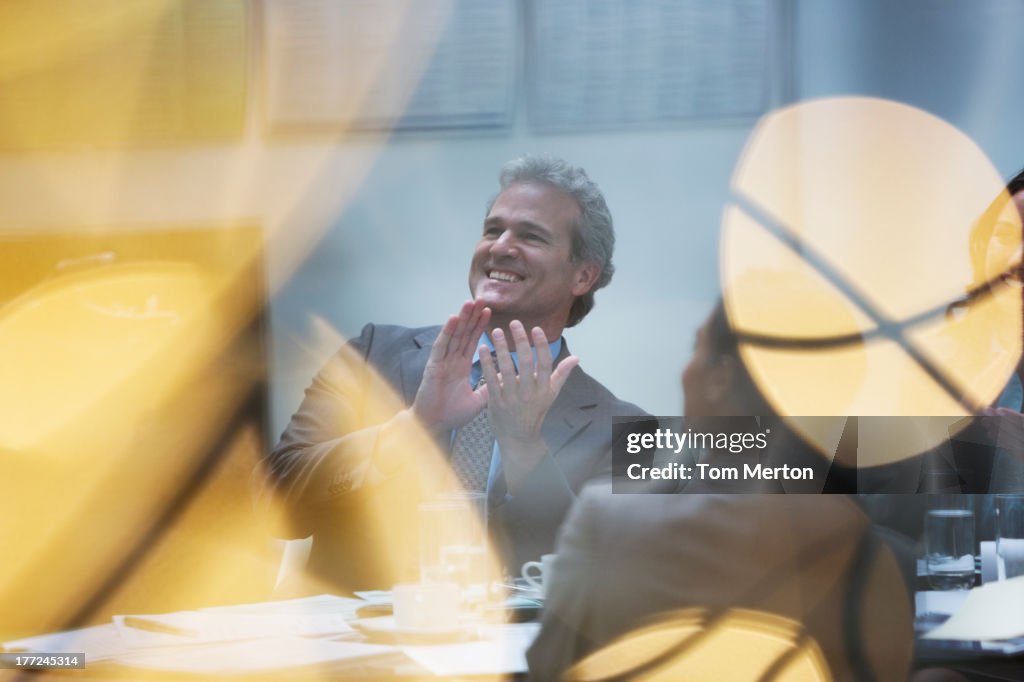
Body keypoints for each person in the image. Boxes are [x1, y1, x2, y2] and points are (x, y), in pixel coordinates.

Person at [265, 155, 647, 592]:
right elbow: (272, 500)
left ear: (583, 275)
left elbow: (607, 578)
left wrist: (525, 449)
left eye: (532, 236)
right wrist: (412, 426)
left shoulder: (623, 429)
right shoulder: (373, 356)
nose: (500, 246)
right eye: (492, 229)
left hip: (510, 653)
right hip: (357, 649)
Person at [527, 301, 916, 682]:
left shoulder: (611, 521)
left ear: (719, 380)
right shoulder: (874, 551)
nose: (685, 370)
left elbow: (551, 668)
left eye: (697, 348)